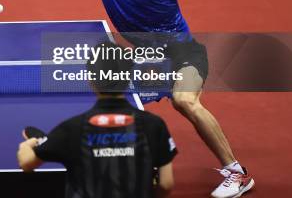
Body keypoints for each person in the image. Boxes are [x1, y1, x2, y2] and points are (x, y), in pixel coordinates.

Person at [47, 0, 254, 198]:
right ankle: (131, 169)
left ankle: (236, 173)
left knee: (185, 101)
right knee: (113, 100)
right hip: (144, 59)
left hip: (184, 52)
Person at [17, 42, 177, 198]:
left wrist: (32, 143)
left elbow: (26, 163)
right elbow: (166, 184)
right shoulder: (154, 125)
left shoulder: (72, 129)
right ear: (128, 78)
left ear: (91, 79)